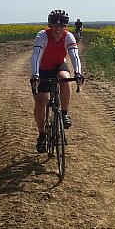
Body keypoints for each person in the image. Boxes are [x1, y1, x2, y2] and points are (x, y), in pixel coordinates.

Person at [30, 10, 84, 153]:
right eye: (55, 26)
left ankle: (64, 114)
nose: (58, 29)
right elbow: (36, 56)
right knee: (41, 102)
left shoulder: (69, 37)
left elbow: (74, 56)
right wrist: (35, 75)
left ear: (65, 27)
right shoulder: (42, 36)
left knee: (65, 79)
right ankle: (42, 135)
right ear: (50, 25)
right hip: (42, 69)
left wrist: (78, 73)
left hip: (58, 65)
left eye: (62, 26)